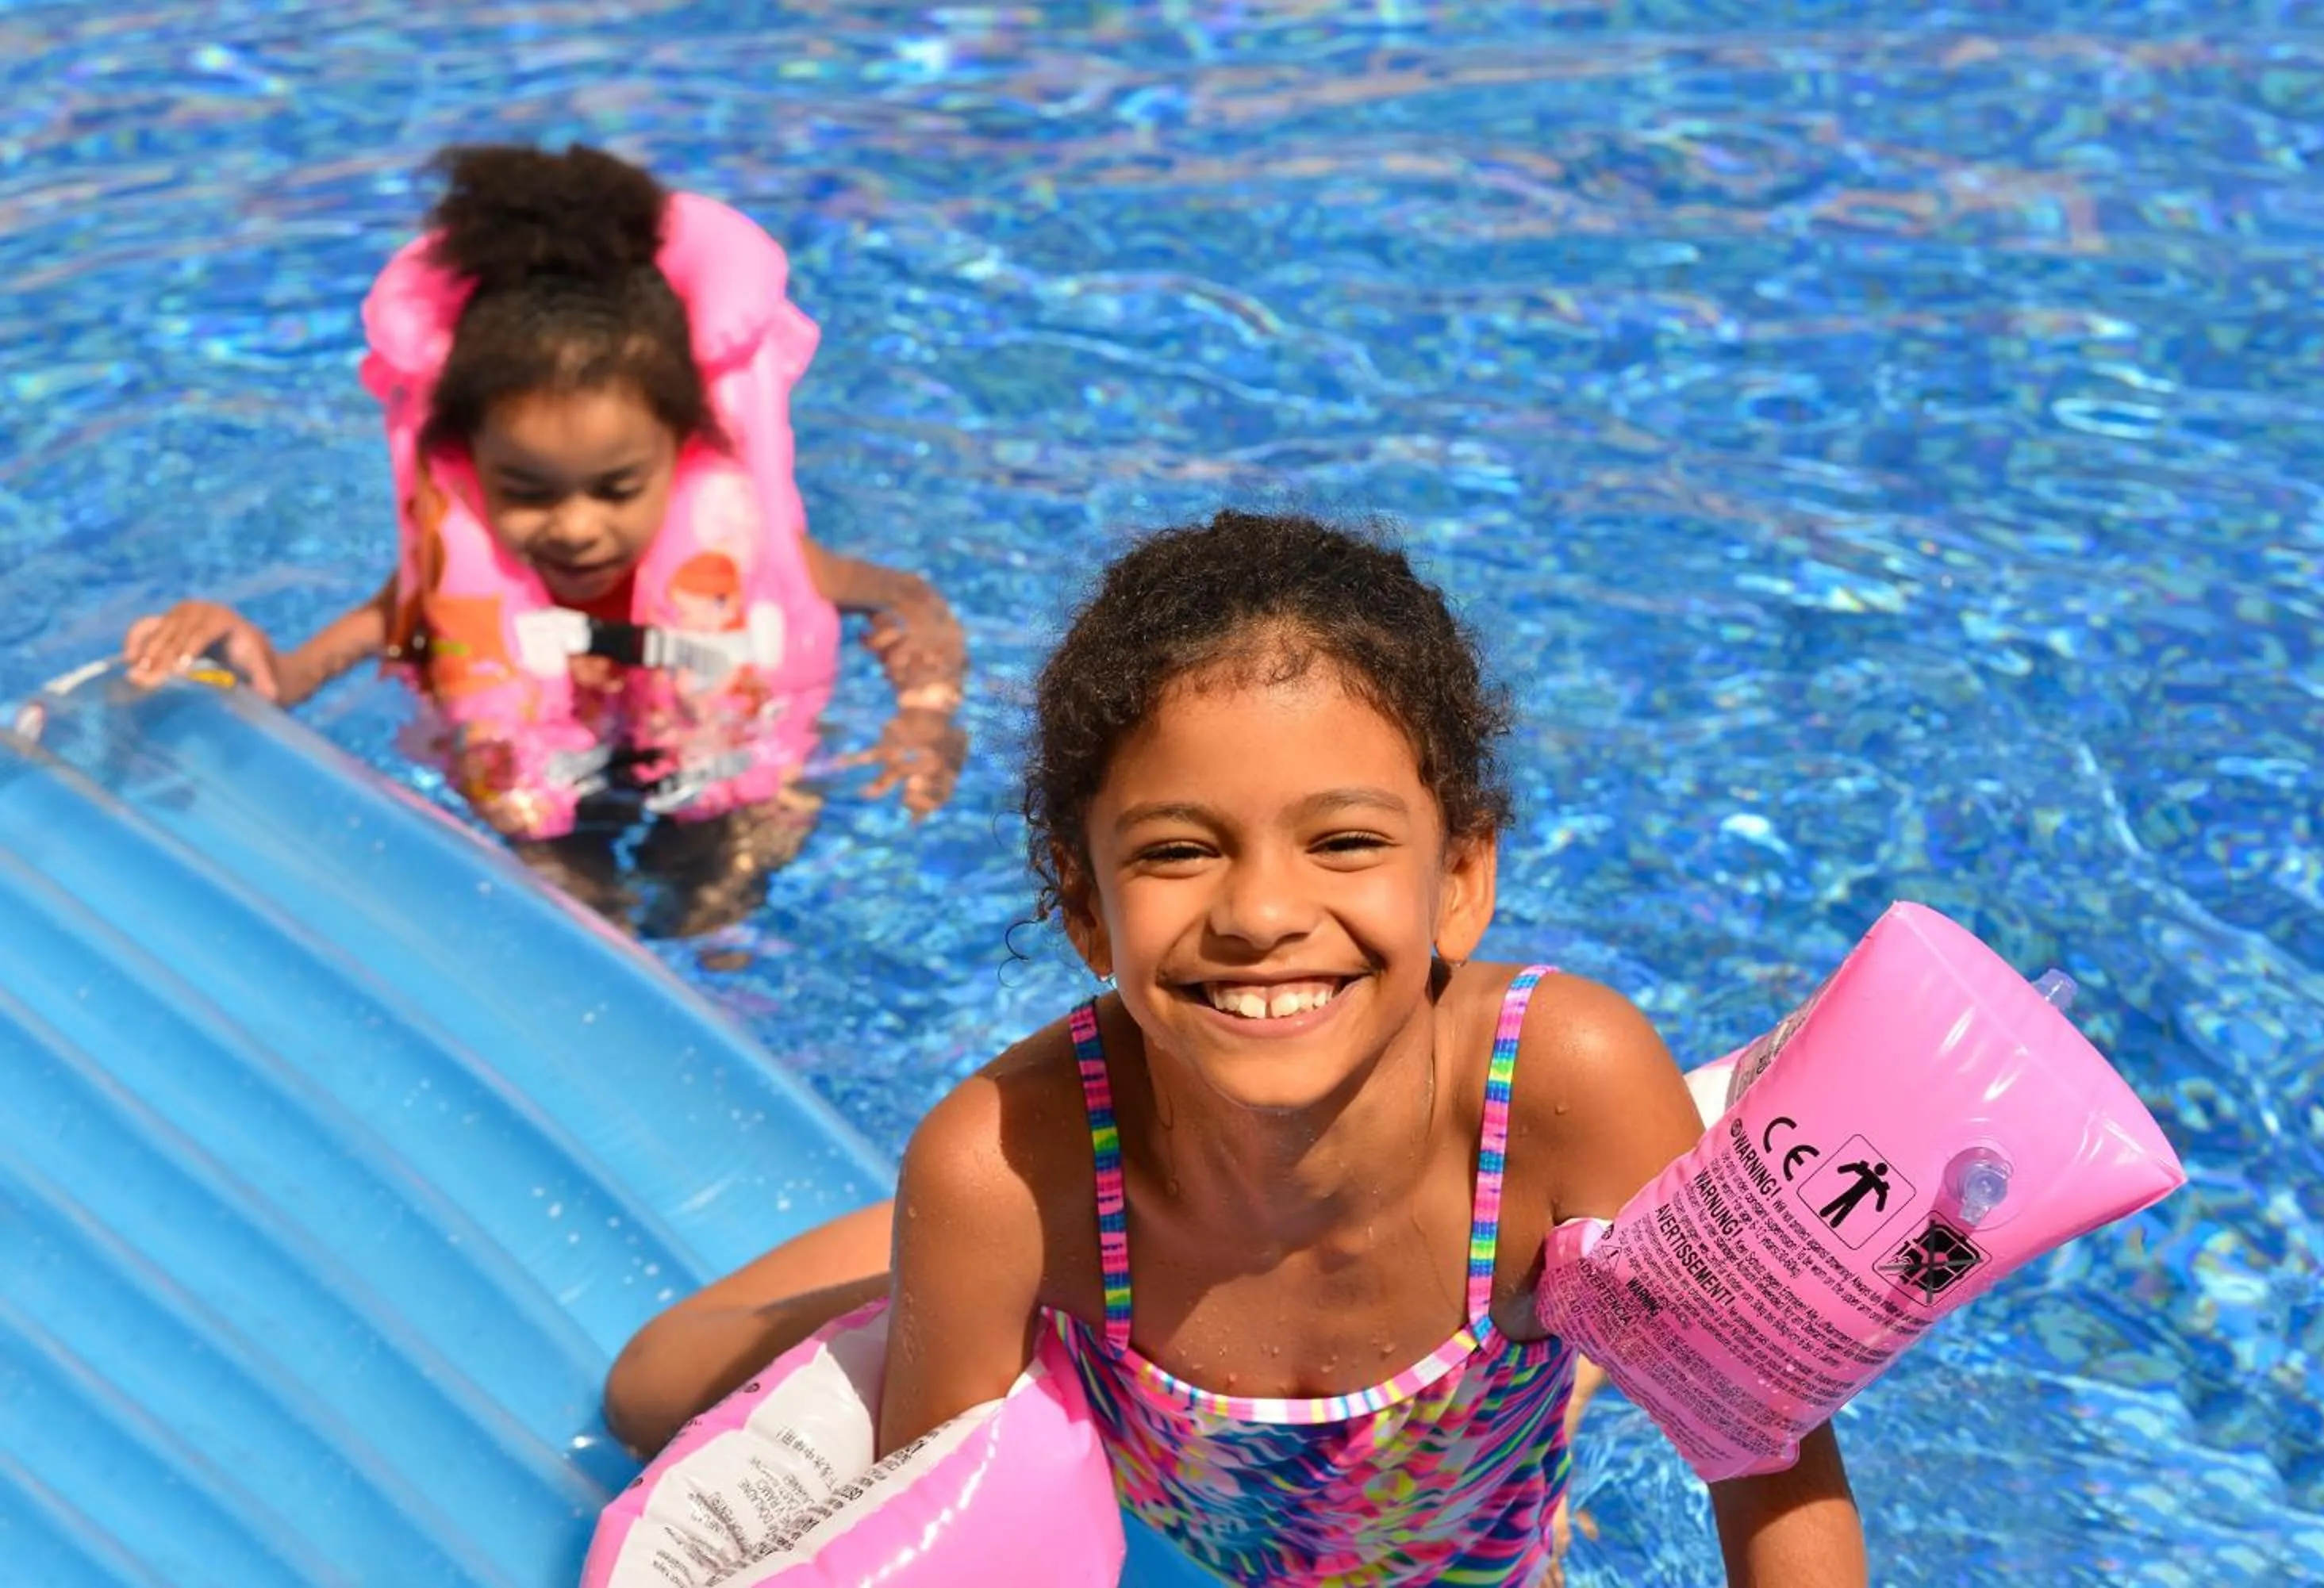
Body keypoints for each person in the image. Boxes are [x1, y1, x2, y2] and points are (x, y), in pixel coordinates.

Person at [600, 511, 1867, 1584]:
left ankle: (1589, 1299)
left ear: (1463, 878)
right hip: (1084, 1305)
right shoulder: (1008, 1171)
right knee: (652, 1391)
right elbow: (954, 1543)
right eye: (1176, 849)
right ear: (1085, 902)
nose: (1261, 914)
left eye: (1348, 842)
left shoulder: (1563, 1088)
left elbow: (1767, 1459)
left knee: (1622, 1307)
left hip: (1473, 1444)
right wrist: (960, 1251)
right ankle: (914, 1278)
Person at [123, 144, 967, 936]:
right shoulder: (453, 578)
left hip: (724, 770)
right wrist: (242, 657)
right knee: (559, 898)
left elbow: (908, 600)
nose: (575, 526)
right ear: (470, 467)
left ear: (681, 454)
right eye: (526, 492)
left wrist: (926, 716)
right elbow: (294, 679)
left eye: (618, 487)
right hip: (545, 792)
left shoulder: (751, 551)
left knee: (728, 881)